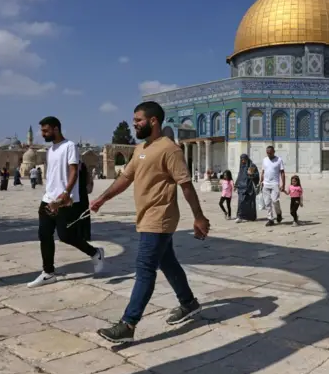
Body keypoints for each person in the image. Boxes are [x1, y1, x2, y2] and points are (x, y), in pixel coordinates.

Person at [91, 101, 210, 343]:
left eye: (138, 120)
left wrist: (199, 216)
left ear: (153, 121)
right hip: (145, 215)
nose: (134, 124)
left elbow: (185, 185)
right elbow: (125, 178)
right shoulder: (141, 148)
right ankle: (189, 303)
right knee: (168, 263)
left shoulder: (170, 149)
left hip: (160, 216)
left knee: (145, 268)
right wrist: (102, 198)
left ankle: (128, 323)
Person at [27, 116, 104, 288]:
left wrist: (66, 193)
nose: (43, 134)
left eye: (46, 130)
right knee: (44, 234)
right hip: (48, 198)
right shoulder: (50, 150)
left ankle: (95, 253)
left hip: (65, 199)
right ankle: (48, 273)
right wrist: (49, 195)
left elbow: (74, 172)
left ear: (56, 129)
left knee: (65, 235)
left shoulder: (70, 146)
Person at [261, 145, 286, 226]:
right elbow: (263, 171)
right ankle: (270, 219)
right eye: (267, 153)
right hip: (266, 183)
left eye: (270, 153)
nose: (269, 154)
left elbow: (282, 172)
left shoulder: (279, 160)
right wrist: (261, 180)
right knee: (267, 202)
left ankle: (278, 213)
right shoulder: (264, 160)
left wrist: (283, 184)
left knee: (275, 201)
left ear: (274, 152)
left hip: (275, 183)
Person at [234, 154, 259, 223]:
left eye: (244, 159)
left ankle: (250, 217)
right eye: (241, 159)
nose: (242, 161)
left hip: (249, 187)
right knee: (241, 202)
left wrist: (251, 175)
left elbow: (256, 176)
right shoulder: (242, 166)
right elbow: (240, 175)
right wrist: (236, 185)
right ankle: (240, 216)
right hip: (241, 188)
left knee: (249, 203)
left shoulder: (251, 166)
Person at [78, 162, 93, 241]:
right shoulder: (83, 165)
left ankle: (80, 234)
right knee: (84, 213)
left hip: (78, 193)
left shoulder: (74, 166)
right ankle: (86, 235)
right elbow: (89, 179)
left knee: (79, 213)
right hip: (83, 193)